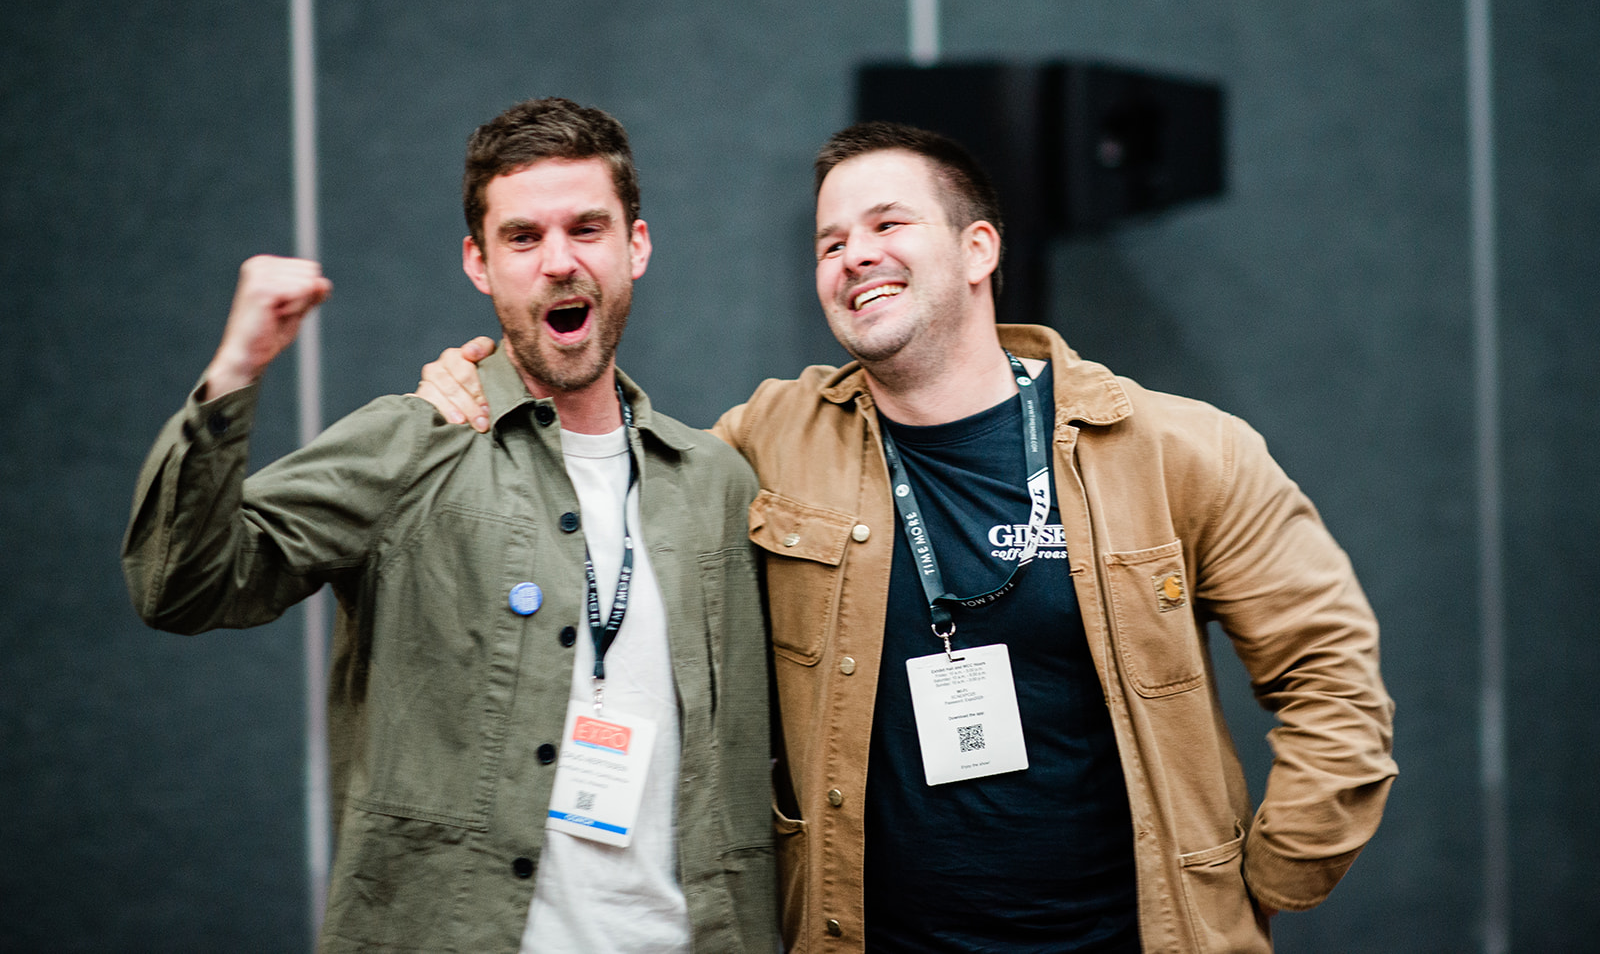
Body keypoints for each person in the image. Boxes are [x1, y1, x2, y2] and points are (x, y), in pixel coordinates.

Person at [417, 121, 1397, 953]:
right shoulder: (770, 439)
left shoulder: (1177, 450)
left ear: (979, 251)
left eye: (888, 224)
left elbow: (1333, 678)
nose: (854, 254)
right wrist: (483, 386)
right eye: (829, 241)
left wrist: (1251, 887)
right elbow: (604, 474)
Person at [122, 98, 776, 954]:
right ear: (479, 263)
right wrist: (237, 367)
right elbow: (182, 585)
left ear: (635, 246)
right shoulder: (417, 443)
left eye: (587, 228)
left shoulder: (718, 484)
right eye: (522, 238)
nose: (559, 262)